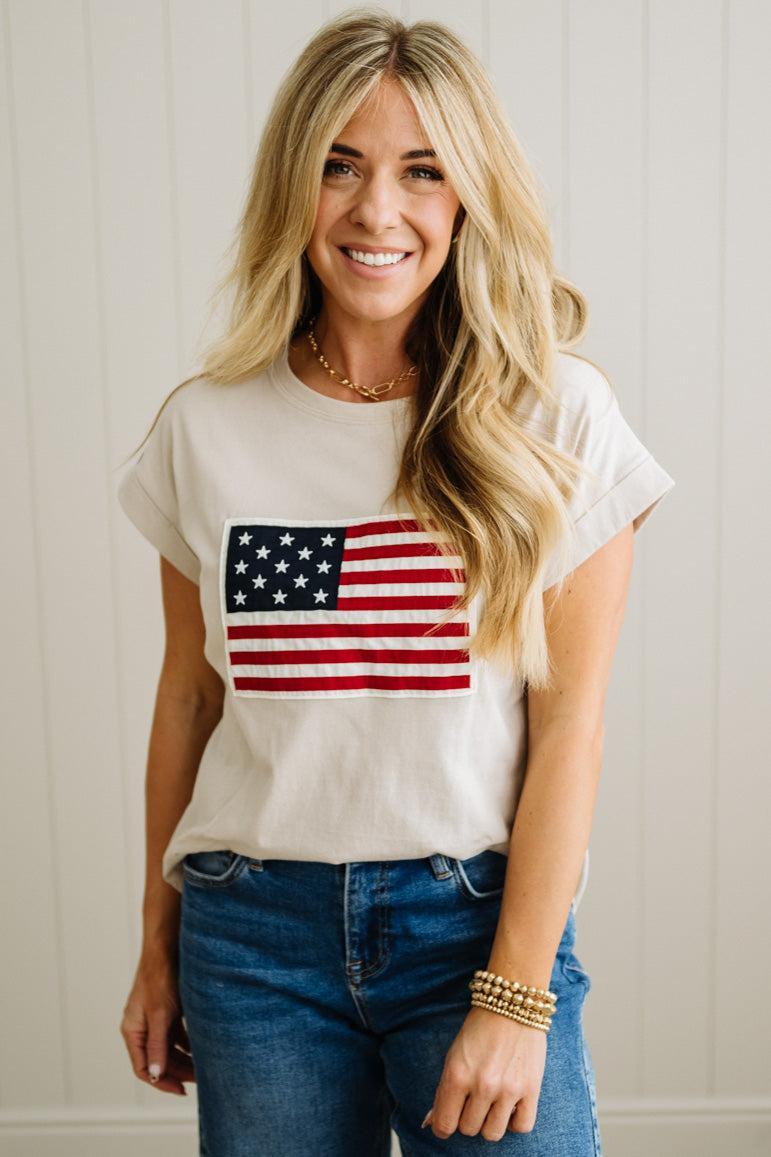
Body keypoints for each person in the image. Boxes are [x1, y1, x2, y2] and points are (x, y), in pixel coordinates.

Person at [116, 8, 675, 1155]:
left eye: (423, 170)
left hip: (469, 926)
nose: (378, 210)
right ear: (293, 187)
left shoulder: (558, 416)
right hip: (252, 935)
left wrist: (516, 993)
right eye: (340, 166)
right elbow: (189, 697)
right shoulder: (204, 426)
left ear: (469, 194)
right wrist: (154, 944)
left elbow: (570, 724)